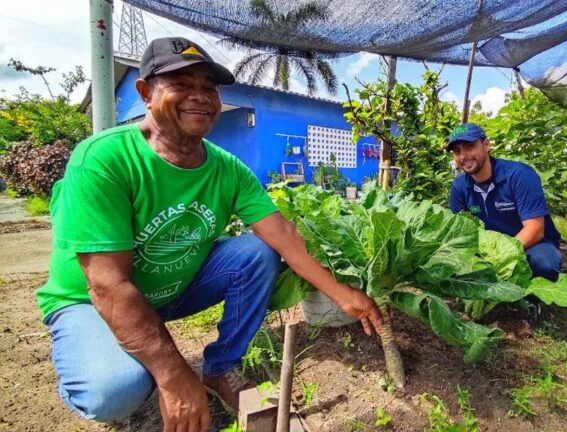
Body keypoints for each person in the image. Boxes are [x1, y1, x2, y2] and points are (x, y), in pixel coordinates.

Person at [36, 37, 382, 432]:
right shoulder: (104, 159)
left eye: (209, 88)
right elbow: (108, 285)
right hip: (89, 300)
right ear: (146, 92)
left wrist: (343, 293)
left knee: (259, 251)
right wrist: (172, 373)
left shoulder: (227, 168)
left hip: (170, 289)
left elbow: (282, 234)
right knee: (115, 391)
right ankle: (98, 363)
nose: (200, 97)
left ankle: (220, 369)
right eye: (181, 85)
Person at [447, 123, 562, 282]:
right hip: (489, 250)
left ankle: (531, 302)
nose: (463, 156)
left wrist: (501, 257)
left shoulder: (519, 175)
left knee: (543, 263)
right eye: (457, 151)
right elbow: (460, 232)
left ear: (486, 145)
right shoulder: (459, 186)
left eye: (469, 147)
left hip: (530, 245)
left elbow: (535, 229)